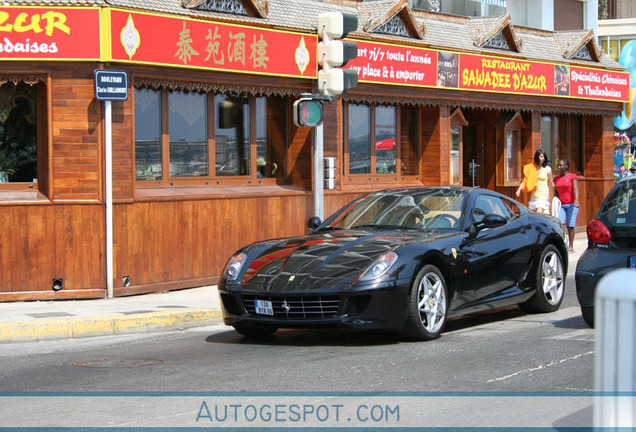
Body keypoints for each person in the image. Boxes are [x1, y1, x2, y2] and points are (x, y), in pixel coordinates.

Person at [516, 149, 553, 214]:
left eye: (543, 157)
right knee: (532, 215)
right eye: (541, 157)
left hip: (543, 196)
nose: (542, 159)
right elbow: (525, 180)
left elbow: (551, 183)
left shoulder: (547, 169)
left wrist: (552, 196)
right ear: (537, 157)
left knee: (538, 214)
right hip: (534, 195)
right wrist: (519, 189)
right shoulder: (532, 168)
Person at [553, 159, 579, 253]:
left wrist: (576, 200)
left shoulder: (572, 177)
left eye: (561, 165)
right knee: (559, 224)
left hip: (571, 204)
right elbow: (556, 192)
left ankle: (571, 246)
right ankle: (562, 243)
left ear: (566, 167)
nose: (559, 167)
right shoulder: (556, 179)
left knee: (570, 225)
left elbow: (575, 190)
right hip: (562, 205)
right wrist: (555, 202)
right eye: (558, 165)